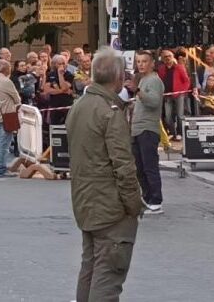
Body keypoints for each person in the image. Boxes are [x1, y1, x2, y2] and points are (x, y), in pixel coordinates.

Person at [66, 47, 143, 302]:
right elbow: (124, 165)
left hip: (86, 200)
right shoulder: (109, 111)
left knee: (90, 268)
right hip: (110, 205)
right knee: (108, 276)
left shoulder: (79, 106)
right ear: (119, 77)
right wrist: (133, 204)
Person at [131, 51, 165, 215]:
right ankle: (147, 197)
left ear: (152, 63)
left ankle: (156, 200)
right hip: (137, 129)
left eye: (144, 61)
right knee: (139, 166)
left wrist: (137, 91)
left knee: (149, 166)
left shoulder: (154, 80)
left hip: (148, 129)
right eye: (138, 61)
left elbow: (153, 102)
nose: (141, 64)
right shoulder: (143, 79)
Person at [0, 60, 22, 177]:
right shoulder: (6, 81)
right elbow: (17, 98)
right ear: (7, 69)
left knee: (1, 142)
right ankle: (1, 168)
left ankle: (1, 164)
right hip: (7, 114)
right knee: (4, 144)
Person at [157, 49, 190, 140]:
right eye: (165, 57)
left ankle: (180, 133)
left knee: (180, 115)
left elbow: (187, 81)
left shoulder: (179, 67)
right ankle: (172, 132)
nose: (167, 58)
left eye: (169, 56)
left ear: (173, 57)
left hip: (178, 94)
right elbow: (160, 80)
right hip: (167, 95)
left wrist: (182, 91)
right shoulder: (161, 69)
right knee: (168, 116)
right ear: (162, 59)